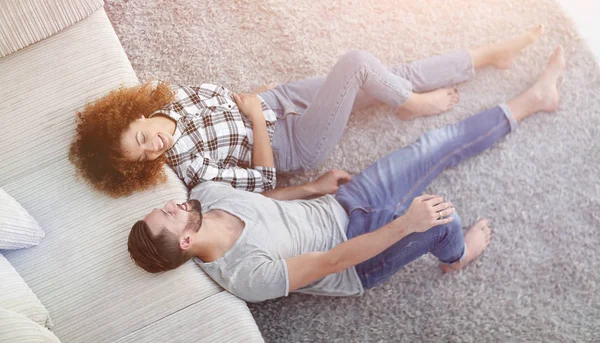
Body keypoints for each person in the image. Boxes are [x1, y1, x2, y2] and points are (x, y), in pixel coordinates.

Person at [126, 46, 565, 302]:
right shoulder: (247, 277)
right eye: (168, 214)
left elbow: (265, 201)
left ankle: (532, 100)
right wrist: (405, 225)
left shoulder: (203, 196)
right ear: (185, 242)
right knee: (444, 221)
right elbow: (334, 261)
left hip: (340, 205)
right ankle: (457, 257)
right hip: (360, 256)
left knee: (433, 146)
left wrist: (313, 187)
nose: (172, 202)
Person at [69, 26, 544, 197]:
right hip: (291, 142)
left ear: (134, 115)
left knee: (385, 72)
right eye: (145, 157)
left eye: (142, 138)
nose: (156, 148)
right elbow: (262, 181)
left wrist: (256, 99)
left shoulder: (175, 99)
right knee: (359, 64)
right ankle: (414, 105)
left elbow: (224, 99)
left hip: (278, 103)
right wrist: (255, 118)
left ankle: (484, 57)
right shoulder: (187, 165)